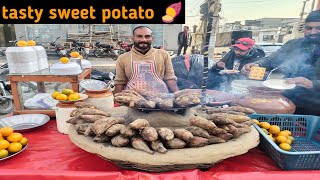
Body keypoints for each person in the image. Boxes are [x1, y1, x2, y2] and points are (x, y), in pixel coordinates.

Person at [241, 10, 320, 115]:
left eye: (318, 28)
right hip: (286, 100)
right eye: (309, 28)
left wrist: (312, 83)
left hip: (315, 107)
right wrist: (257, 64)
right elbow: (272, 59)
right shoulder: (293, 44)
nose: (313, 32)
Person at [114, 26, 179, 94]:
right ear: (132, 38)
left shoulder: (163, 54)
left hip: (160, 98)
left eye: (147, 36)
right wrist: (117, 100)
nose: (144, 40)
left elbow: (170, 77)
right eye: (139, 36)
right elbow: (120, 81)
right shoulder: (122, 58)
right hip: (133, 98)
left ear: (152, 38)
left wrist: (177, 94)